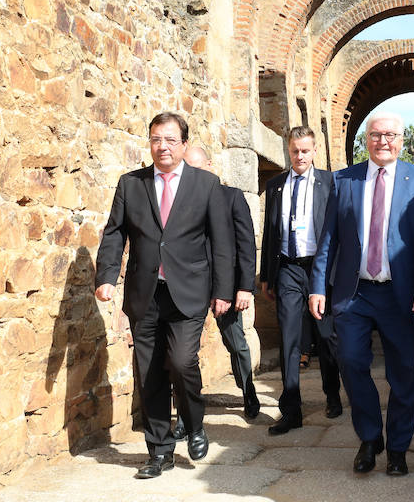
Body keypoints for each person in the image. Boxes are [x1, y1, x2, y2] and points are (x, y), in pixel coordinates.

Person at [94, 112, 234, 479]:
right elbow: (114, 233)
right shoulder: (131, 184)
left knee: (182, 361)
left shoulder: (206, 185)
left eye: (171, 140)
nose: (163, 147)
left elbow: (221, 243)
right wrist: (107, 276)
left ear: (184, 145)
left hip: (188, 292)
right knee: (150, 372)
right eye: (156, 139)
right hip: (145, 293)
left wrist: (223, 290)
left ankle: (194, 422)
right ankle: (159, 452)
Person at [309, 111, 414, 476]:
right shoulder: (344, 180)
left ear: (402, 139)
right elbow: (328, 240)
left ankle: (397, 448)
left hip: (402, 296)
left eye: (391, 135)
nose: (384, 141)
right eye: (377, 135)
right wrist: (318, 286)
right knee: (350, 362)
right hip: (355, 293)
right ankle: (369, 438)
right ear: (366, 139)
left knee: (403, 375)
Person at [168, 146, 260, 436]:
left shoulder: (231, 197)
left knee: (236, 343)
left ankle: (248, 391)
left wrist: (245, 286)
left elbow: (246, 244)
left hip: (227, 286)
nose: (193, 173)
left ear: (210, 164)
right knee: (184, 354)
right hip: (190, 287)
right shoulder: (180, 199)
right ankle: (185, 416)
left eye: (198, 167)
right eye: (189, 168)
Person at [260, 126, 343, 435]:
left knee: (326, 336)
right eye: (294, 151)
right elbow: (270, 233)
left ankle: (332, 392)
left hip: (320, 269)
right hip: (289, 269)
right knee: (289, 338)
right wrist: (268, 274)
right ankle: (291, 409)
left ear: (314, 151)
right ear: (289, 151)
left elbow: (339, 231)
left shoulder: (330, 183)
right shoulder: (276, 185)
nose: (299, 156)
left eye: (305, 151)